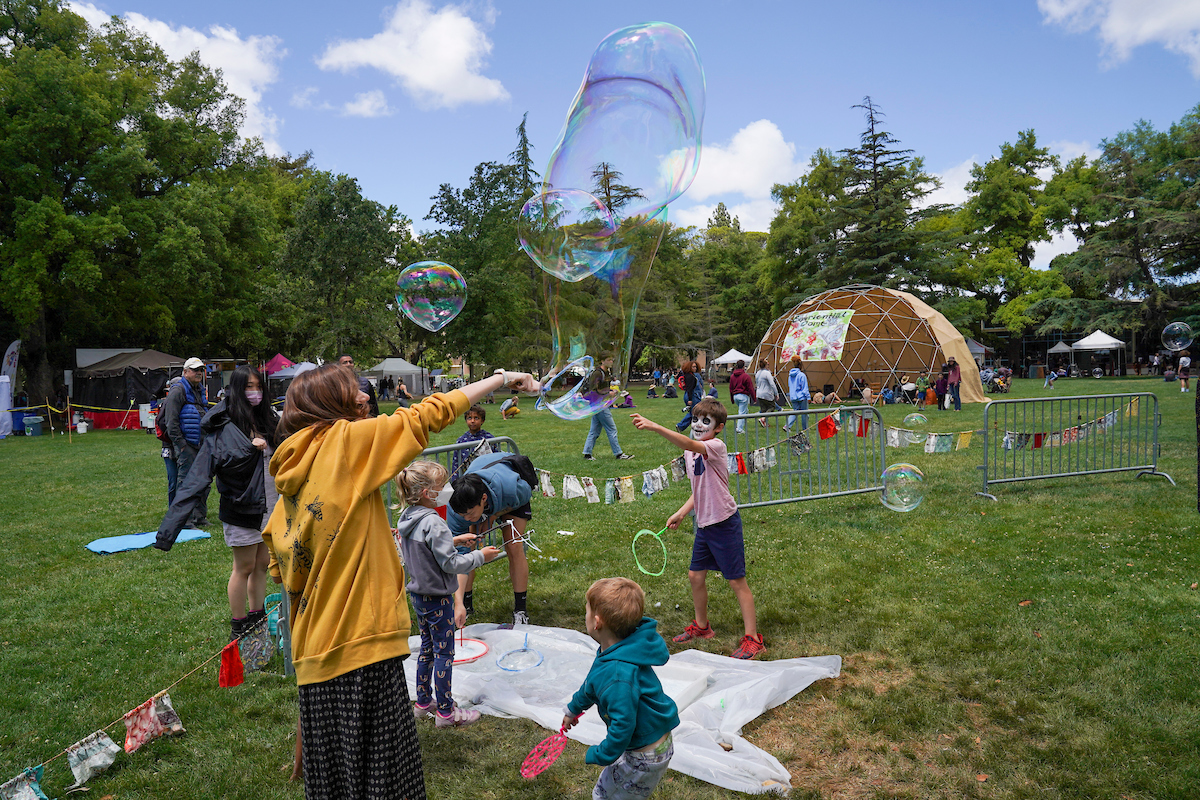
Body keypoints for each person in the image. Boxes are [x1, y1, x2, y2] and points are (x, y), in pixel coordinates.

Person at [262, 363, 537, 799]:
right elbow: (430, 413)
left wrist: (305, 721)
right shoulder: (344, 445)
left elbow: (293, 592)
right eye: (350, 393)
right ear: (327, 405)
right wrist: (502, 379)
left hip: (316, 666)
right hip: (362, 657)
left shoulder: (290, 484)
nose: (363, 399)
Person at [630, 399, 765, 659]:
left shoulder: (715, 446)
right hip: (704, 523)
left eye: (706, 422)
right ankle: (702, 627)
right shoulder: (690, 453)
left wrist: (655, 427)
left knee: (737, 581)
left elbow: (690, 443)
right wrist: (682, 512)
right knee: (695, 576)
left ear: (719, 428)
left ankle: (753, 638)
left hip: (724, 523)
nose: (698, 425)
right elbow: (699, 488)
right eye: (695, 420)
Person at [156, 365, 280, 643]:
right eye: (249, 387)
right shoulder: (223, 428)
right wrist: (168, 532)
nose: (255, 392)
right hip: (242, 507)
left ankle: (257, 618)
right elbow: (195, 480)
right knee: (244, 567)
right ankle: (239, 625)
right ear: (237, 389)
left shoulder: (268, 419)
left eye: (259, 387)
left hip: (270, 506)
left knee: (262, 564)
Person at [394, 461, 502, 728]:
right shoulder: (434, 522)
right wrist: (480, 556)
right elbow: (450, 564)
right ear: (426, 493)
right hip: (438, 598)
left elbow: (425, 549)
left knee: (427, 650)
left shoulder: (408, 517)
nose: (446, 491)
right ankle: (445, 711)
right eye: (441, 487)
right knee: (444, 654)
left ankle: (422, 702)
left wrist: (453, 540)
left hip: (419, 596)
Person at [562, 578, 680, 800]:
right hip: (650, 742)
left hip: (645, 754)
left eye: (586, 611)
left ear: (597, 622)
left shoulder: (617, 675)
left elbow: (623, 725)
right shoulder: (619, 648)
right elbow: (591, 685)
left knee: (606, 796)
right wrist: (573, 709)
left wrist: (601, 753)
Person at [448, 451, 539, 626]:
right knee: (467, 552)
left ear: (483, 499)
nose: (466, 519)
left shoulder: (512, 488)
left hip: (510, 491)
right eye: (463, 516)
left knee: (513, 546)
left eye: (470, 514)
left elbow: (526, 494)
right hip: (485, 485)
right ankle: (466, 604)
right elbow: (460, 558)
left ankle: (520, 610)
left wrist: (491, 517)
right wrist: (457, 603)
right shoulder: (456, 509)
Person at [160, 357, 211, 528]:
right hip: (187, 445)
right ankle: (184, 520)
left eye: (201, 370)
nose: (198, 372)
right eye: (195, 369)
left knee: (204, 481)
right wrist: (181, 444)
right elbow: (171, 422)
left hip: (201, 443)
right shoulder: (178, 391)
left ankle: (199, 516)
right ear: (185, 372)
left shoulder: (199, 390)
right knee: (186, 483)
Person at [583, 355, 634, 460]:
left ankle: (587, 454)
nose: (611, 361)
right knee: (611, 429)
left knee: (594, 430)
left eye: (612, 359)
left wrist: (610, 389)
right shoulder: (597, 373)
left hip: (599, 404)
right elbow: (594, 390)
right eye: (609, 360)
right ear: (602, 361)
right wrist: (609, 393)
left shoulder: (606, 373)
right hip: (599, 404)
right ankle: (619, 454)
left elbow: (602, 387)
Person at [152, 380, 181, 507]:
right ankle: (173, 510)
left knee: (180, 481)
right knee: (173, 481)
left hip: (179, 446)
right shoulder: (166, 405)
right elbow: (162, 425)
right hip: (170, 447)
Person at [452, 404, 495, 478]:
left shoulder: (489, 438)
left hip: (486, 476)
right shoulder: (461, 441)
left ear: (482, 421)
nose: (472, 421)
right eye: (469, 418)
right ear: (466, 421)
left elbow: (495, 457)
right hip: (467, 478)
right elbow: (456, 463)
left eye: (476, 418)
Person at [728, 360, 755, 434]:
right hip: (743, 396)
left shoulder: (732, 376)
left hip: (735, 396)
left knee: (745, 411)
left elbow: (731, 388)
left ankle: (743, 426)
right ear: (743, 367)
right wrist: (754, 398)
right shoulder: (746, 376)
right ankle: (739, 429)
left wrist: (732, 399)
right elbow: (750, 388)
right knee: (742, 412)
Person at [675, 361, 701, 433]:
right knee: (695, 412)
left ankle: (686, 426)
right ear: (689, 367)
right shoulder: (690, 376)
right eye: (693, 367)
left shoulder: (689, 375)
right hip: (692, 396)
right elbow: (689, 388)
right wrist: (690, 399)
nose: (695, 368)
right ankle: (681, 425)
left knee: (694, 412)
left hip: (690, 395)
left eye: (695, 366)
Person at [784, 356, 809, 432]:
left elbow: (790, 385)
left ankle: (787, 425)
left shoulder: (790, 376)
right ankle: (805, 428)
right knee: (804, 413)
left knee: (795, 412)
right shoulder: (802, 375)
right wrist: (808, 397)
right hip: (802, 397)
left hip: (793, 397)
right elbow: (805, 388)